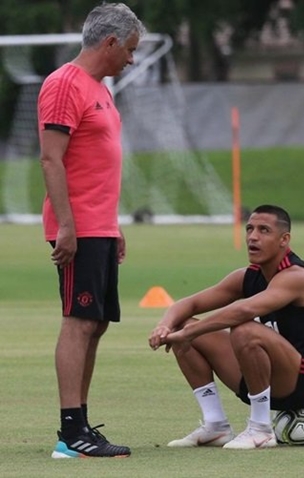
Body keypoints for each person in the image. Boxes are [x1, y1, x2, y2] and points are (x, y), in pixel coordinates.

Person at [38, 2, 145, 459]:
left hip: (98, 226)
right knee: (79, 320)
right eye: (130, 50)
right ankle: (70, 433)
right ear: (111, 42)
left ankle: (80, 422)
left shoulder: (99, 88)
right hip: (76, 227)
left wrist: (112, 224)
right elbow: (51, 159)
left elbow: (97, 163)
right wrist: (67, 224)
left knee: (96, 323)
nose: (132, 60)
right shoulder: (64, 84)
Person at [148, 204, 304, 450]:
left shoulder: (297, 276)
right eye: (249, 229)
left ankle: (260, 429)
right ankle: (215, 425)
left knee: (245, 330)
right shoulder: (248, 276)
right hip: (264, 376)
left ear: (284, 239)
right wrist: (165, 326)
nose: (253, 237)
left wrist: (190, 332)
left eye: (264, 230)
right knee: (181, 325)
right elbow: (190, 304)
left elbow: (244, 311)